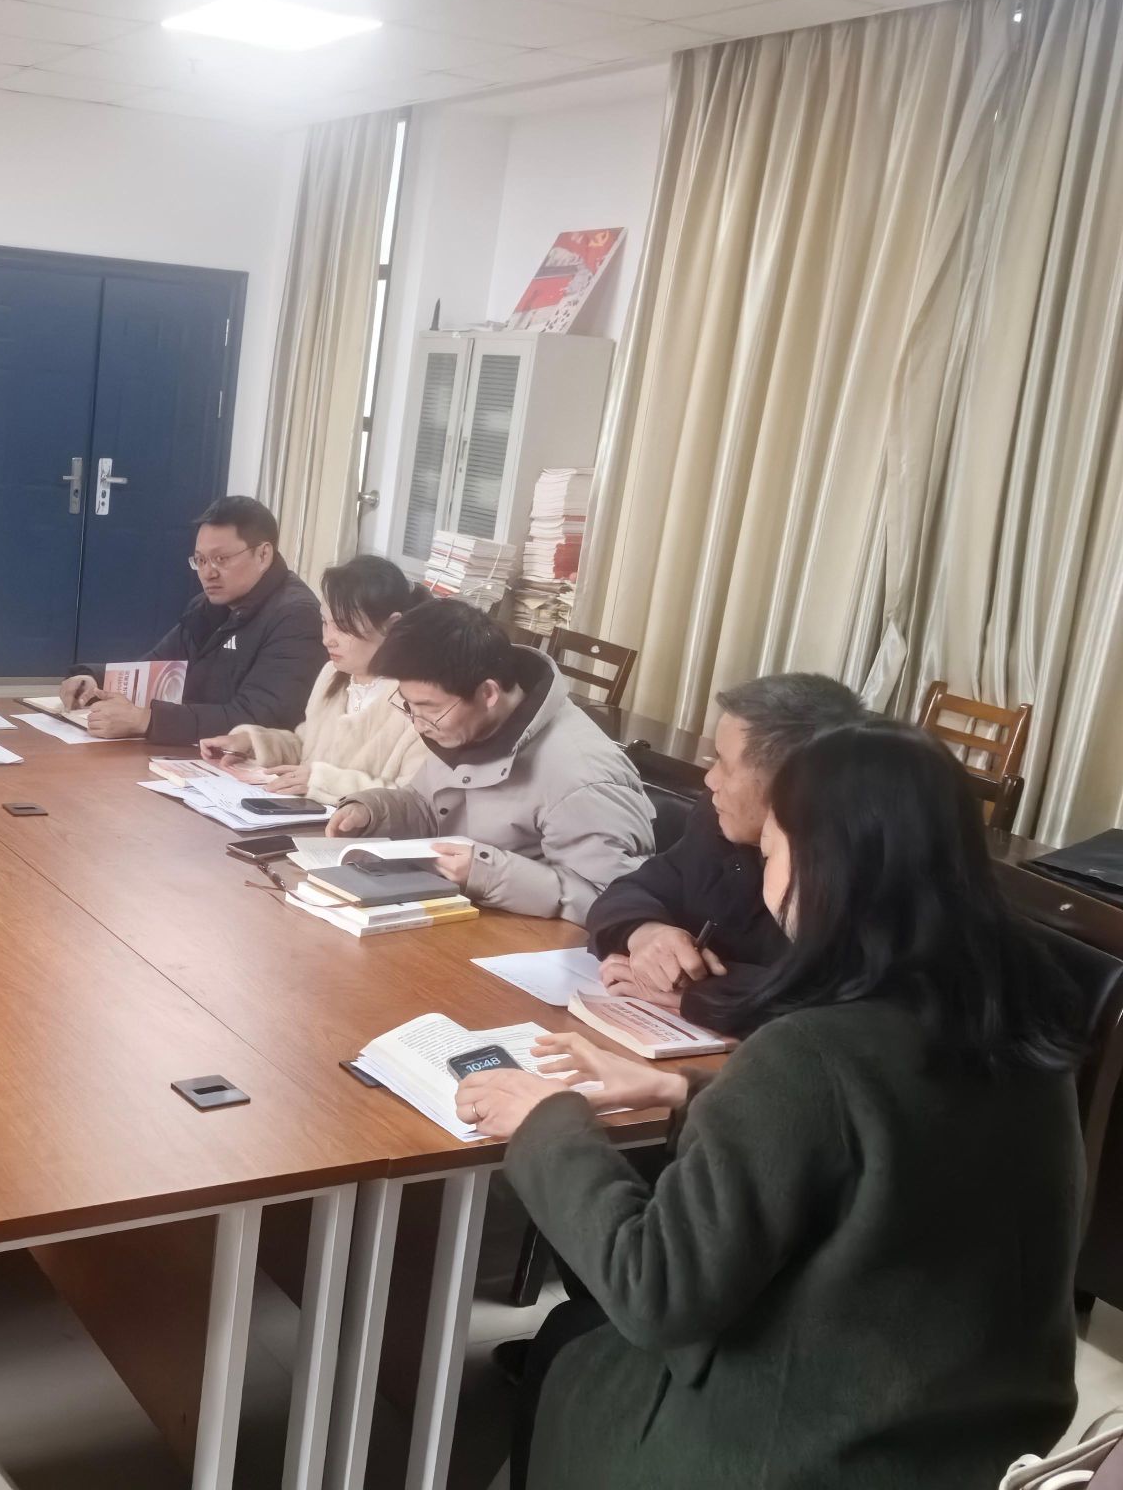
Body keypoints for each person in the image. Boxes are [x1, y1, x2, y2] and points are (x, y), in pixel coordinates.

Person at [456, 720, 1085, 1490]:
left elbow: (656, 1290)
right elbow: (883, 1137)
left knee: (576, 1341)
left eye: (774, 848)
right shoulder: (1020, 1026)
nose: (763, 868)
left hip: (806, 1452)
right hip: (977, 1436)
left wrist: (546, 1121)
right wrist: (682, 1090)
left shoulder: (810, 1050)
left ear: (823, 867)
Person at [328, 600, 651, 921]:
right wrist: (373, 811)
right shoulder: (464, 727)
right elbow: (432, 808)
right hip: (466, 918)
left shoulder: (582, 777)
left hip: (532, 942)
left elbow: (615, 901)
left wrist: (487, 873)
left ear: (488, 694)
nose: (418, 724)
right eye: (409, 706)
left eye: (430, 708)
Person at [587, 672, 865, 1020]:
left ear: (789, 783)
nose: (710, 779)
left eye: (725, 764)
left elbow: (846, 1007)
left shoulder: (853, 869)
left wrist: (705, 993)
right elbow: (633, 889)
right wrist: (646, 933)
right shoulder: (717, 820)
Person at [57, 496, 325, 744]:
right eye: (200, 560)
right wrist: (93, 681)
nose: (208, 573)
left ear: (263, 554)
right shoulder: (207, 605)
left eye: (221, 559)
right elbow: (156, 667)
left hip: (248, 768)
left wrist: (146, 721)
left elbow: (259, 719)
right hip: (191, 751)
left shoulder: (296, 617)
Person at [198, 554, 427, 803]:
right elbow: (305, 749)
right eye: (325, 623)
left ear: (391, 625)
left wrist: (323, 782)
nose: (328, 639)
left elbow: (413, 803)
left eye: (343, 626)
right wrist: (251, 744)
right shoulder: (332, 676)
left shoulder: (420, 702)